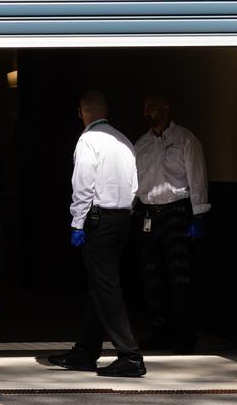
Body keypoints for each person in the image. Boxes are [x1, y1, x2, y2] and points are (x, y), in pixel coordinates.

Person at [48, 90, 146, 378]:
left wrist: (77, 223)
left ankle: (130, 355)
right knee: (100, 285)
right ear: (107, 110)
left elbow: (83, 185)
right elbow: (134, 186)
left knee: (107, 287)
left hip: (98, 221)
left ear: (81, 112)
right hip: (123, 219)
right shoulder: (124, 141)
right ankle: (86, 351)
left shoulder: (88, 140)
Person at [135, 94, 210, 354]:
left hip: (176, 210)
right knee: (151, 275)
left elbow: (197, 177)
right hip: (147, 213)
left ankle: (184, 335)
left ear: (167, 105)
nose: (148, 111)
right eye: (145, 107)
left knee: (179, 275)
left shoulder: (185, 140)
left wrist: (198, 213)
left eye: (153, 105)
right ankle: (159, 332)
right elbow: (135, 183)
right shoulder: (142, 144)